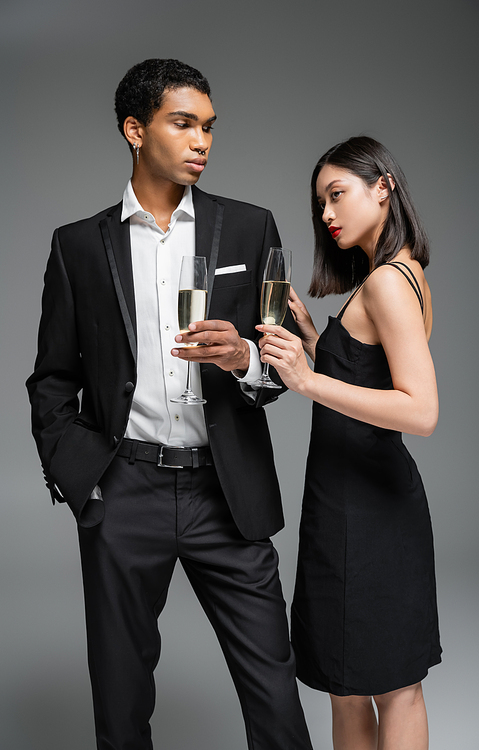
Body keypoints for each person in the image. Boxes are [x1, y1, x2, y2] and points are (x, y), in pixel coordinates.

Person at [26, 58, 312, 750]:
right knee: (120, 700)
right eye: (183, 123)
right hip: (123, 491)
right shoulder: (77, 248)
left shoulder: (250, 228)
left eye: (209, 127)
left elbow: (281, 362)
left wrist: (245, 356)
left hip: (228, 491)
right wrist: (84, 482)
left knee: (274, 693)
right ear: (134, 129)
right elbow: (53, 379)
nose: (201, 141)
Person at [257, 136, 441, 750]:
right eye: (321, 204)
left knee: (383, 685)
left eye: (338, 195)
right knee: (355, 681)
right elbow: (369, 382)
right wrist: (315, 340)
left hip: (367, 509)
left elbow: (419, 410)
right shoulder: (402, 273)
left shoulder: (389, 282)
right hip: (352, 501)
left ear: (382, 186)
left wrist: (307, 380)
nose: (328, 214)